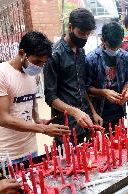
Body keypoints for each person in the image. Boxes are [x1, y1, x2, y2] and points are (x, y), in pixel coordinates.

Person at [0, 31, 70, 169]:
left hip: (30, 151)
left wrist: (39, 120)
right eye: (37, 61)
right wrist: (42, 129)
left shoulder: (33, 76)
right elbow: (4, 119)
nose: (39, 67)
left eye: (43, 63)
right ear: (22, 53)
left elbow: (31, 101)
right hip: (6, 156)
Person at [44, 8, 97, 145]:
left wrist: (92, 112)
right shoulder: (54, 55)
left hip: (84, 121)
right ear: (70, 27)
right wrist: (75, 112)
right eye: (81, 33)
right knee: (67, 162)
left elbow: (82, 87)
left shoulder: (80, 51)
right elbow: (51, 97)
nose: (84, 38)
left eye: (87, 34)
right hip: (65, 125)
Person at [86, 22, 128, 131]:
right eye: (112, 47)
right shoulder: (91, 59)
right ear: (102, 40)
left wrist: (126, 91)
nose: (115, 50)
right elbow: (85, 88)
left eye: (118, 46)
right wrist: (104, 92)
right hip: (99, 113)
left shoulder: (125, 56)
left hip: (119, 110)